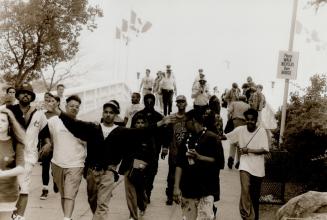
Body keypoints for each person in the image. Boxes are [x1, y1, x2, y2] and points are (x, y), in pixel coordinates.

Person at [46, 99, 173, 220]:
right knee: (93, 201)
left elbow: (141, 133)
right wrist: (58, 111)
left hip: (108, 173)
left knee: (102, 205)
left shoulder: (121, 132)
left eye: (111, 112)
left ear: (116, 115)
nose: (108, 114)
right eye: (106, 112)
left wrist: (160, 123)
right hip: (91, 172)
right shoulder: (93, 128)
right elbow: (74, 125)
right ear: (103, 113)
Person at [7, 82, 49, 220]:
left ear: (32, 97)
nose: (26, 95)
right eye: (23, 92)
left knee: (24, 186)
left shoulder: (39, 115)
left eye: (29, 93)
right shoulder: (9, 111)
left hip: (28, 156)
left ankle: (19, 216)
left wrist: (47, 144)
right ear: (18, 95)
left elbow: (45, 134)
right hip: (9, 155)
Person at [173, 110, 224, 220]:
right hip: (188, 188)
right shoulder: (186, 139)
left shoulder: (212, 138)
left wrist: (200, 157)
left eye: (186, 121)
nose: (184, 124)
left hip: (206, 188)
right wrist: (176, 187)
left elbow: (219, 163)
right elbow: (179, 164)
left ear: (193, 121)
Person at [43, 94, 87, 220]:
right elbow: (44, 131)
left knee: (69, 195)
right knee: (64, 195)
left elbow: (88, 142)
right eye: (71, 106)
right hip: (57, 163)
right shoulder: (54, 121)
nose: (74, 108)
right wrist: (48, 143)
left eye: (77, 107)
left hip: (76, 164)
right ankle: (67, 217)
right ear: (65, 106)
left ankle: (66, 218)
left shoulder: (81, 124)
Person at [225, 108, 269, 220]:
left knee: (254, 196)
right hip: (245, 164)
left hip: (258, 168)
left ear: (256, 120)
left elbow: (265, 150)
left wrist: (248, 150)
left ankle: (255, 218)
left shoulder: (261, 131)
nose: (249, 122)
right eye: (247, 120)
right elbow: (226, 136)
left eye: (252, 120)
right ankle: (246, 216)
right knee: (245, 190)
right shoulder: (240, 130)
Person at [132, 93, 168, 203]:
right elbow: (131, 132)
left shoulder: (159, 116)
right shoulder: (138, 115)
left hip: (154, 150)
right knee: (139, 172)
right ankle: (141, 192)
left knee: (151, 172)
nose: (149, 102)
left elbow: (164, 133)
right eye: (147, 100)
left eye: (151, 100)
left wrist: (165, 147)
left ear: (154, 101)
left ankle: (148, 192)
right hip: (139, 152)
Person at [119, 113, 156, 220]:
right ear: (134, 124)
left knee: (140, 192)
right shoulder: (128, 135)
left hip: (142, 167)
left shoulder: (149, 137)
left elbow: (152, 155)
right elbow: (123, 151)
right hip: (129, 167)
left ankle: (142, 205)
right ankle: (133, 215)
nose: (140, 125)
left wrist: (147, 167)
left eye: (142, 123)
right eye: (137, 123)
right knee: (130, 193)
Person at [161, 95, 188, 206]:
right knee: (171, 173)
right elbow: (166, 134)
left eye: (182, 102)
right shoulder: (171, 118)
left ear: (185, 103)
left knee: (185, 173)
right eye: (179, 102)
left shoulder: (189, 117)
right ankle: (170, 195)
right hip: (174, 150)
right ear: (176, 104)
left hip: (185, 151)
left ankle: (181, 193)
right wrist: (165, 148)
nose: (180, 104)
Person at [0, 108, 25, 220]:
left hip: (7, 193)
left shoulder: (16, 143)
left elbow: (21, 168)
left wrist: (2, 174)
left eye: (3, 120)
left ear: (9, 124)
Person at [227, 95, 250, 169]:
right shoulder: (247, 106)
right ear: (245, 99)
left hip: (235, 121)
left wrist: (229, 120)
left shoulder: (234, 103)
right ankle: (239, 160)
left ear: (238, 99)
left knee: (233, 140)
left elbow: (228, 112)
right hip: (243, 123)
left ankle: (231, 157)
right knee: (240, 141)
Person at [38, 92, 53, 200]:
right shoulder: (42, 114)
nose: (48, 102)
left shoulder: (59, 115)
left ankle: (56, 182)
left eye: (51, 100)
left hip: (58, 145)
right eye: (46, 100)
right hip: (46, 144)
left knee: (56, 169)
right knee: (45, 166)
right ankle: (45, 189)